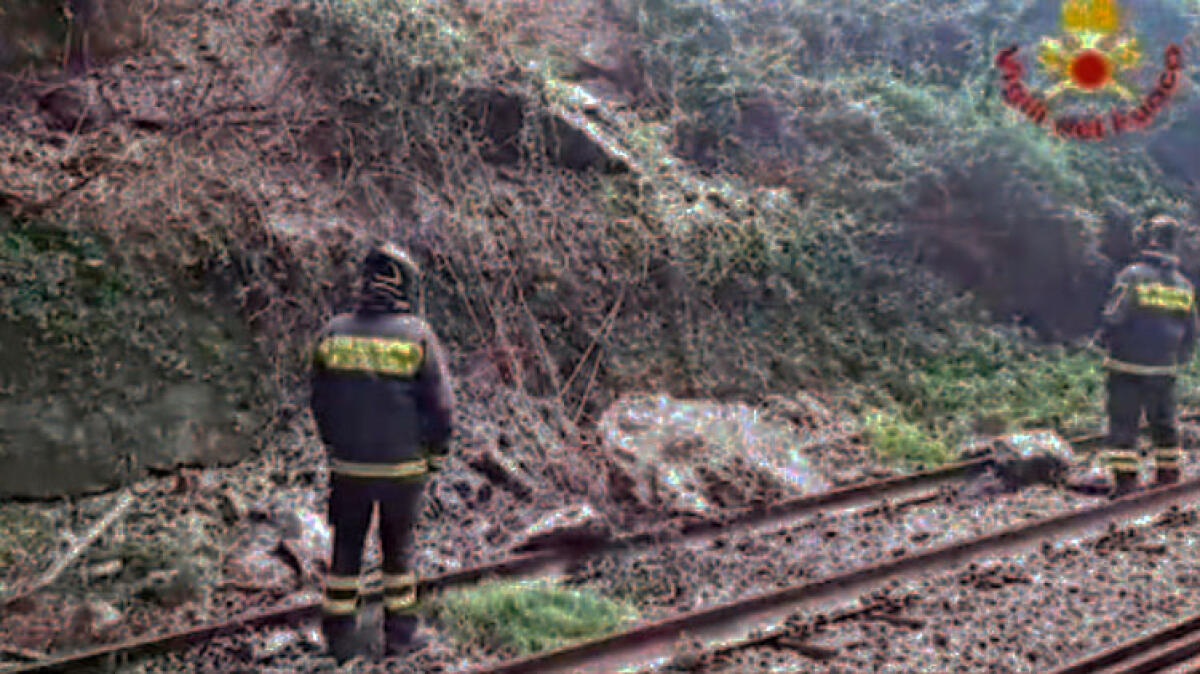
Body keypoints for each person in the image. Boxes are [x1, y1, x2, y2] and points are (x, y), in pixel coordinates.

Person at [310, 242, 455, 661]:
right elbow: (441, 408)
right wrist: (435, 457)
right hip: (403, 471)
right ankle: (401, 638)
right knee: (399, 555)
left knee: (345, 553)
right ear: (406, 285)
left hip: (348, 469)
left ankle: (339, 638)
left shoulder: (333, 333)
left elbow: (320, 402)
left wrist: (335, 447)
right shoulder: (418, 336)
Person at [1096, 214, 1196, 498]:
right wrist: (1178, 358)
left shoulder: (1132, 275)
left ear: (1150, 239)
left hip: (1126, 365)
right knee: (1164, 424)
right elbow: (1191, 331)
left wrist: (1104, 341)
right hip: (1165, 368)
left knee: (1123, 424)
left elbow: (1114, 317)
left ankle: (1126, 482)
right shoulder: (1183, 286)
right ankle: (1168, 476)